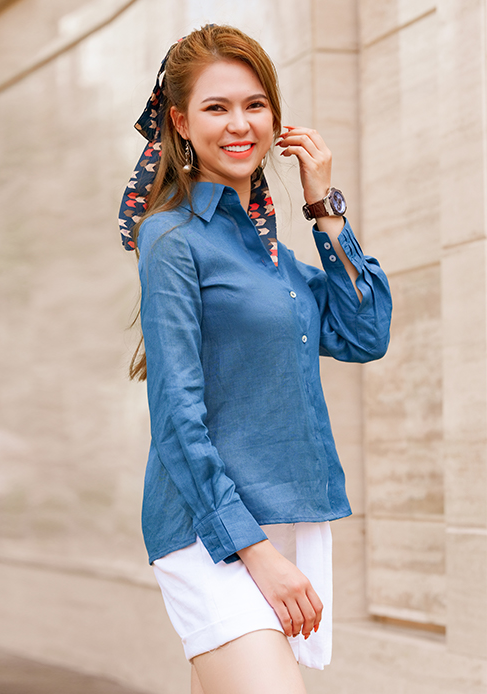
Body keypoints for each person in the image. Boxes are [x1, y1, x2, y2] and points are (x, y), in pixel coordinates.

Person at [119, 24, 391, 694]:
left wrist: (325, 207)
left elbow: (364, 334)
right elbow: (176, 414)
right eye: (216, 107)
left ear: (275, 116)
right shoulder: (171, 238)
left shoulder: (279, 262)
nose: (239, 124)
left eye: (255, 104)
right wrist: (256, 552)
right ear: (180, 122)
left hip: (288, 516)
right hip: (213, 528)